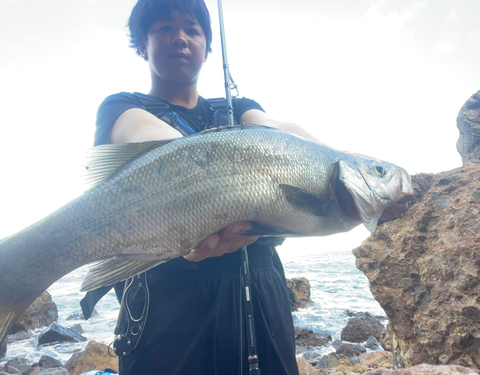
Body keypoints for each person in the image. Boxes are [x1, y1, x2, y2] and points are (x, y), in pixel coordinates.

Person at [90, 0, 408, 374]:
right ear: (142, 43)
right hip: (169, 313)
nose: (180, 38)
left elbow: (282, 133)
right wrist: (208, 189)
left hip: (262, 300)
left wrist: (350, 165)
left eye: (192, 30)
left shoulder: (236, 107)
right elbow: (151, 136)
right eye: (164, 28)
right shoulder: (121, 107)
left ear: (208, 47)